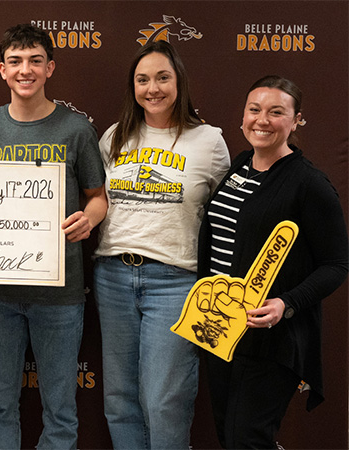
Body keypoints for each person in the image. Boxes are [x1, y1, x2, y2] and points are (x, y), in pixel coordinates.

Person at [0, 24, 107, 450]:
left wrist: (88, 219)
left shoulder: (76, 129)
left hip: (60, 292)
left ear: (50, 68)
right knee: (0, 407)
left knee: (61, 411)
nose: (24, 70)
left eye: (34, 61)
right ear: (2, 70)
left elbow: (98, 197)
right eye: (15, 61)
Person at [93, 40, 230, 449]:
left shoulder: (209, 141)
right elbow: (98, 199)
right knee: (119, 398)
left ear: (179, 82)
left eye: (162, 77)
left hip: (176, 281)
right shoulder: (115, 137)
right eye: (143, 79)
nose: (153, 88)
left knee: (163, 399)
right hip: (113, 275)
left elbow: (227, 216)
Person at [198, 75, 348, 448]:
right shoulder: (241, 165)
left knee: (247, 439)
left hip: (269, 336)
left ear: (296, 121)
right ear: (243, 117)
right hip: (220, 329)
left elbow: (336, 264)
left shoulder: (308, 183)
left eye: (276, 112)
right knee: (230, 435)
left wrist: (287, 303)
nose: (262, 120)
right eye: (254, 110)